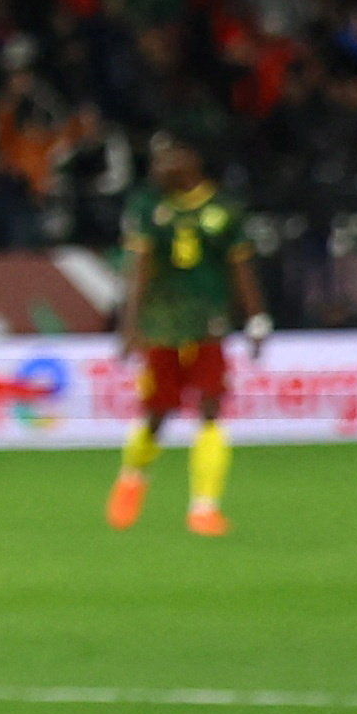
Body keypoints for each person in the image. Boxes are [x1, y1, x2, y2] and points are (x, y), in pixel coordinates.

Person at [108, 134, 269, 536]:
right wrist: (129, 326)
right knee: (157, 413)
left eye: (167, 158)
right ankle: (133, 476)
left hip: (207, 322)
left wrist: (257, 317)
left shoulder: (224, 210)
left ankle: (204, 507)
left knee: (211, 408)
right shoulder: (148, 206)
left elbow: (241, 268)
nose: (158, 167)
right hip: (162, 323)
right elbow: (139, 268)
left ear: (190, 159)